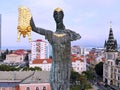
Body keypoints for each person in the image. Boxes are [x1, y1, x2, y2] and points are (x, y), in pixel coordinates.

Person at [30, 7, 81, 90]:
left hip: (65, 65)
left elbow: (78, 36)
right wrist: (28, 15)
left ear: (63, 16)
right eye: (55, 14)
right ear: (53, 17)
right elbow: (34, 28)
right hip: (55, 65)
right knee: (53, 83)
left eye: (59, 14)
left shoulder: (69, 33)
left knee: (64, 86)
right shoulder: (50, 34)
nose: (57, 16)